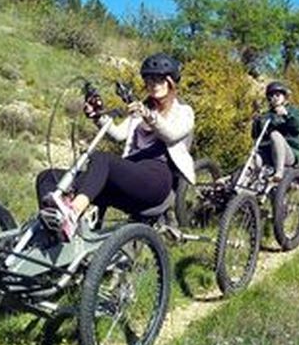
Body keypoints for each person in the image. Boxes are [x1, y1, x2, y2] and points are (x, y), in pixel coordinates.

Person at [35, 52, 195, 241]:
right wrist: (97, 117)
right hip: (131, 176)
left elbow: (172, 134)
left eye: (159, 79)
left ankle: (73, 213)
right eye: (149, 80)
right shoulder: (143, 108)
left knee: (103, 158)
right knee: (48, 177)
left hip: (156, 180)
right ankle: (56, 236)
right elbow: (118, 134)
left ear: (171, 82)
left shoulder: (184, 112)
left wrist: (148, 116)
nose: (153, 84)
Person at [251, 81, 299, 182]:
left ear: (284, 97)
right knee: (255, 159)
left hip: (290, 154)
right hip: (269, 154)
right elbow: (256, 136)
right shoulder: (266, 115)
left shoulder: (293, 110)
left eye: (277, 95)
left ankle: (279, 172)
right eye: (271, 95)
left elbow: (298, 127)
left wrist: (287, 115)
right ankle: (232, 181)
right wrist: (256, 122)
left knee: (275, 134)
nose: (275, 97)